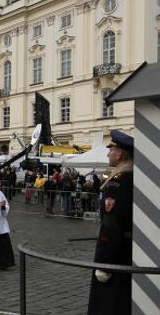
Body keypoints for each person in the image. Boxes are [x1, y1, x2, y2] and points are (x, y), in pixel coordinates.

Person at [88, 130, 134, 315]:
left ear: (120, 153)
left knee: (110, 302)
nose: (108, 153)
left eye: (111, 149)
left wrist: (103, 262)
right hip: (131, 249)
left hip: (117, 252)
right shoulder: (134, 178)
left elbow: (111, 225)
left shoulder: (116, 184)